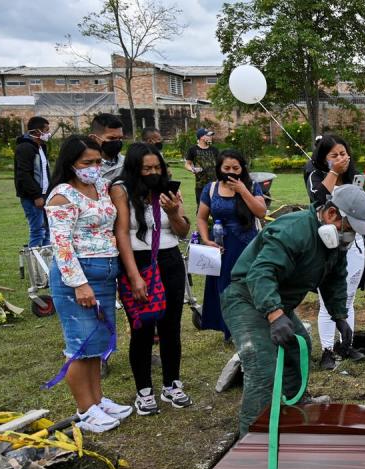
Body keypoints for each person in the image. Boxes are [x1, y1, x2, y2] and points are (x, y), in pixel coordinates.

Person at [221, 184, 365, 434]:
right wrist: (274, 315)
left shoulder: (333, 244)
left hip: (277, 299)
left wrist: (339, 316)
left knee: (298, 344)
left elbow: (335, 278)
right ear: (332, 214)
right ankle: (251, 440)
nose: (350, 237)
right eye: (349, 229)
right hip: (246, 297)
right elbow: (261, 273)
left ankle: (296, 403)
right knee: (263, 367)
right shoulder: (293, 230)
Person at [45, 134, 132, 433]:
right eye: (87, 162)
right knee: (80, 346)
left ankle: (98, 400)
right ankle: (85, 410)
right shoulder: (62, 196)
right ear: (71, 163)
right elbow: (62, 245)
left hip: (106, 270)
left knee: (96, 343)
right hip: (79, 275)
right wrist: (79, 284)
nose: (94, 167)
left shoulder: (100, 188)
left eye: (98, 162)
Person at [111, 143, 192, 415]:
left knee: (171, 326)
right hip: (138, 262)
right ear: (135, 168)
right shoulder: (120, 190)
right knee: (142, 329)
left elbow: (181, 231)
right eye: (147, 168)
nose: (153, 172)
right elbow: (122, 233)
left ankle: (172, 384)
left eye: (157, 167)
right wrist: (134, 277)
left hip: (169, 260)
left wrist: (172, 212)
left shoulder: (168, 189)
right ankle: (144, 391)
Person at [305, 134, 365, 370]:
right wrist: (334, 173)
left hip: (354, 245)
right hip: (328, 245)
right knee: (328, 301)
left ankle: (346, 344)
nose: (341, 159)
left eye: (344, 153)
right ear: (323, 158)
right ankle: (327, 350)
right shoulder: (316, 176)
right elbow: (318, 201)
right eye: (334, 155)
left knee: (348, 299)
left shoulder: (359, 179)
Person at [196, 149, 267, 340]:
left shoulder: (251, 186)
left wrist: (243, 191)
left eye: (236, 168)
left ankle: (251, 326)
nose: (231, 171)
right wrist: (205, 239)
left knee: (247, 285)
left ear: (242, 168)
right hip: (220, 245)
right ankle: (229, 329)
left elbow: (261, 212)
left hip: (246, 244)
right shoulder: (210, 188)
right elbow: (201, 218)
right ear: (219, 168)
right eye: (226, 167)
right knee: (223, 287)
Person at [14, 115, 52, 247]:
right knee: (38, 231)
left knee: (48, 231)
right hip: (33, 197)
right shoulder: (25, 148)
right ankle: (35, 264)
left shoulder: (41, 147)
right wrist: (36, 196)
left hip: (45, 194)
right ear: (37, 132)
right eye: (46, 130)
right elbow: (24, 174)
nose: (48, 133)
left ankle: (46, 263)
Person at [185, 128, 219, 204]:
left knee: (215, 207)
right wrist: (192, 169)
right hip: (200, 185)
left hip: (214, 184)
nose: (211, 137)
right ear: (202, 137)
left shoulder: (214, 150)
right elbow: (187, 164)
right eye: (208, 135)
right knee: (201, 208)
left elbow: (220, 165)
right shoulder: (193, 149)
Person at [89, 113, 126, 183]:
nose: (117, 142)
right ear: (93, 138)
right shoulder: (86, 167)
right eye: (112, 138)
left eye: (120, 138)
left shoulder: (127, 163)